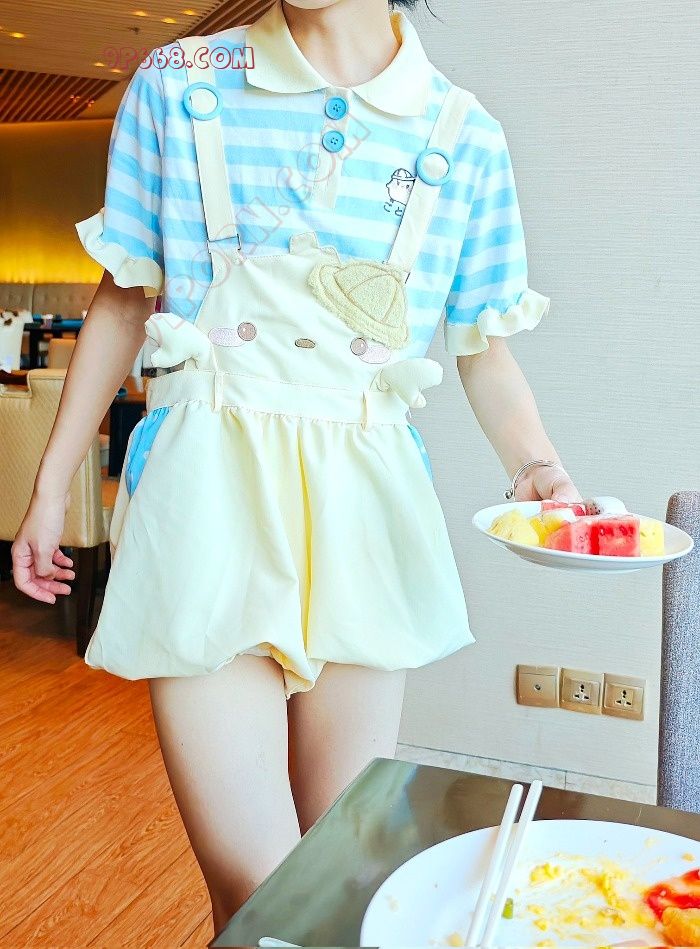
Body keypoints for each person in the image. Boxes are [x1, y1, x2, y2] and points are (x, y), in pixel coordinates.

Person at [12, 0, 581, 935]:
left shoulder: (464, 133)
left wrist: (540, 469)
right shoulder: (178, 83)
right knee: (259, 890)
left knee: (335, 884)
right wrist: (47, 491)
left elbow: (484, 349)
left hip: (364, 512)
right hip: (206, 500)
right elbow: (123, 299)